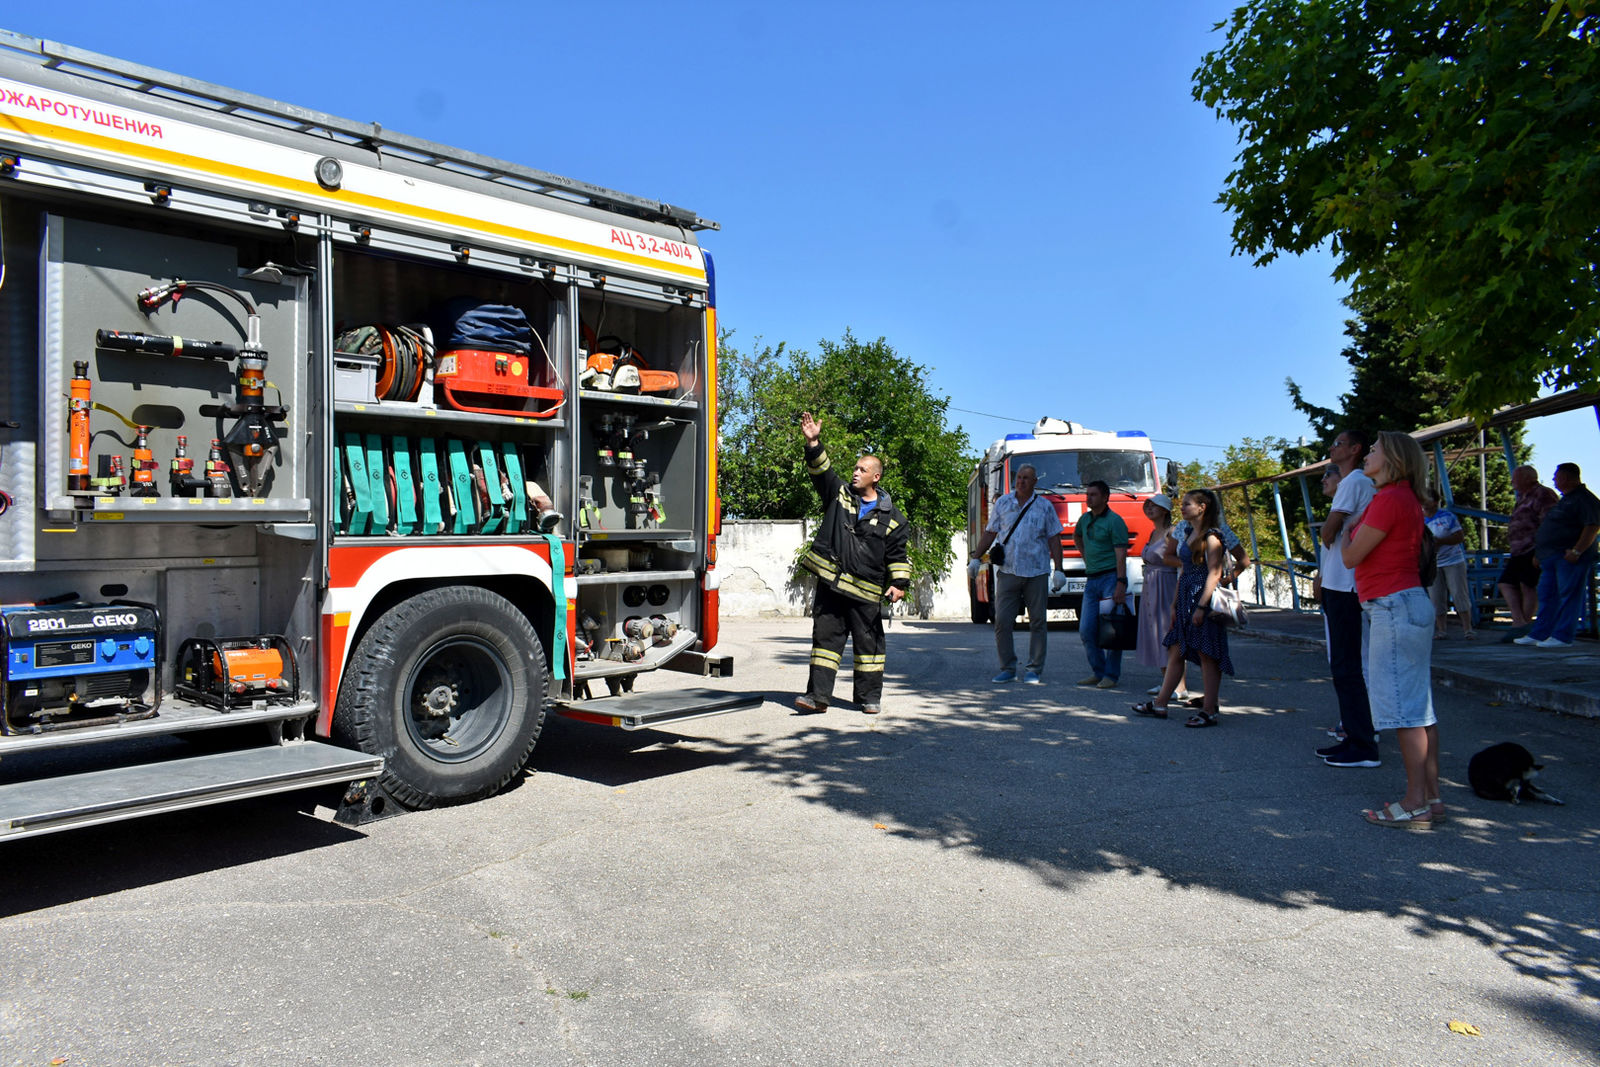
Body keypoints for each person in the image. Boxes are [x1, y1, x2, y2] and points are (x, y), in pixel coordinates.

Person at [1342, 431, 1438, 827]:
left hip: (1391, 605)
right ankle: (1431, 798)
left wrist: (1349, 531)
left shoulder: (1388, 500)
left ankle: (1415, 802)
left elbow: (1350, 556)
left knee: (1401, 710)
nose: (1368, 454)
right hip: (1408, 601)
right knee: (1420, 709)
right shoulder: (1406, 498)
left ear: (1393, 459)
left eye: (1375, 450)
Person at [793, 412, 911, 715]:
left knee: (869, 648)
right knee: (824, 644)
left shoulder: (895, 518)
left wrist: (898, 585)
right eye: (855, 468)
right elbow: (821, 472)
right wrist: (814, 442)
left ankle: (868, 698)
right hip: (832, 586)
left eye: (863, 469)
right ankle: (817, 697)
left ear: (876, 477)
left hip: (866, 593)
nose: (855, 473)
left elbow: (898, 556)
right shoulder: (839, 495)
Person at [1130, 489, 1233, 727]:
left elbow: (1214, 573)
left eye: (1187, 504)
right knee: (1175, 649)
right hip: (1185, 595)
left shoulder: (1212, 536)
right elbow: (1184, 571)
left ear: (1202, 507)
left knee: (1208, 655)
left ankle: (1209, 711)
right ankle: (1160, 703)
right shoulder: (1188, 532)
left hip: (1201, 598)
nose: (1182, 507)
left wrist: (1201, 606)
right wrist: (1176, 604)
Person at [1315, 429, 1381, 770]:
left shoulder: (1353, 481)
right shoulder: (1362, 483)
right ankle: (1356, 736)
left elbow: (1328, 532)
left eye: (1338, 443)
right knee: (1348, 665)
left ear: (1354, 449)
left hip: (1345, 586)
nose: (1332, 448)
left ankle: (1362, 743)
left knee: (1346, 666)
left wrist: (1330, 531)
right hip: (1344, 584)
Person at [973, 463, 1065, 684]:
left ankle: (1034, 669)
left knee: (1038, 622)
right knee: (1002, 622)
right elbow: (990, 532)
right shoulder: (1003, 503)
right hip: (1008, 571)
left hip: (1037, 572)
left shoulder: (1044, 507)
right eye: (1019, 477)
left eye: (1027, 478)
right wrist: (976, 558)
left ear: (1035, 482)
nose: (1021, 481)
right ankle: (1008, 668)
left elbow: (1054, 539)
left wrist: (1059, 570)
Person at [1513, 462, 1600, 649]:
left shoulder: (1584, 499)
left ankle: (1563, 636)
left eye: (1556, 476)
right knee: (1547, 594)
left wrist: (1577, 550)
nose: (1553, 479)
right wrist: (1540, 552)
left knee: (1569, 595)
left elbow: (1592, 526)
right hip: (1550, 556)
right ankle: (1540, 633)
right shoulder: (1566, 499)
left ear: (1567, 478)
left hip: (1569, 556)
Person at [1072, 479, 1130, 689]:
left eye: (1093, 494)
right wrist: (1086, 558)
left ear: (1105, 497)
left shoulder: (1115, 521)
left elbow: (1121, 554)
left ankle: (1111, 675)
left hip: (1110, 578)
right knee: (1086, 630)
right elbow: (1076, 535)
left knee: (1113, 629)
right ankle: (1098, 671)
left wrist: (1121, 583)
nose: (1088, 498)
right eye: (1087, 494)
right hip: (1092, 580)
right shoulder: (1085, 519)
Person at [1497, 465, 1559, 627]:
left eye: (1515, 478)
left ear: (1527, 478)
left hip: (1533, 547)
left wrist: (1540, 550)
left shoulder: (1543, 494)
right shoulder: (1521, 496)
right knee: (1506, 582)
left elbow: (1549, 522)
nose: (1512, 481)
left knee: (1528, 585)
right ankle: (1520, 621)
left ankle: (1523, 623)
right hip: (1518, 549)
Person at [1136, 494, 1185, 697]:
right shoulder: (1153, 533)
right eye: (1147, 506)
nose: (1149, 509)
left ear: (1165, 510)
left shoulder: (1172, 532)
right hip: (1151, 584)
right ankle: (1166, 681)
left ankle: (1179, 686)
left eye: (1154, 506)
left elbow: (1181, 562)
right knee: (1156, 632)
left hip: (1166, 584)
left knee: (1168, 632)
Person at [1422, 489, 1474, 640]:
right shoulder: (1419, 519)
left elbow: (1459, 537)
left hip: (1453, 560)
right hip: (1433, 563)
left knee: (1459, 593)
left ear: (1435, 501)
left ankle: (1468, 628)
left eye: (1427, 499)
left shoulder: (1447, 517)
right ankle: (1441, 630)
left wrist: (1441, 542)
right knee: (1436, 597)